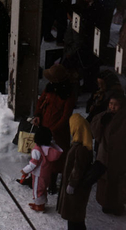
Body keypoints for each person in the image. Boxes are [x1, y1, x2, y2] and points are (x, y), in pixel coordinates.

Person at [33, 64, 77, 193]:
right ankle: (42, 179)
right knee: (42, 154)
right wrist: (37, 115)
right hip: (45, 127)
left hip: (58, 132)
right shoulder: (50, 88)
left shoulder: (68, 95)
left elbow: (65, 116)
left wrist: (53, 130)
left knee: (56, 158)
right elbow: (41, 102)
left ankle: (52, 183)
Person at [91, 95, 126, 215]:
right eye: (111, 104)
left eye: (115, 104)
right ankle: (106, 203)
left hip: (120, 155)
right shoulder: (105, 115)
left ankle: (117, 205)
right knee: (105, 180)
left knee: (117, 181)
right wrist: (101, 122)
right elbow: (95, 132)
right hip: (105, 153)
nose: (112, 107)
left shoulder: (125, 118)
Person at [58, 114, 95, 230]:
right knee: (75, 218)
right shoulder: (80, 145)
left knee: (74, 218)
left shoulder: (81, 149)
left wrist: (72, 184)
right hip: (76, 189)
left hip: (76, 189)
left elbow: (78, 169)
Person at [21, 126, 63, 212]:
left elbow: (33, 164)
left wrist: (25, 170)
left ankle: (39, 205)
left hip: (38, 174)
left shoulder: (37, 150)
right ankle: (41, 203)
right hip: (46, 173)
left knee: (37, 190)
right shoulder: (50, 148)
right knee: (43, 188)